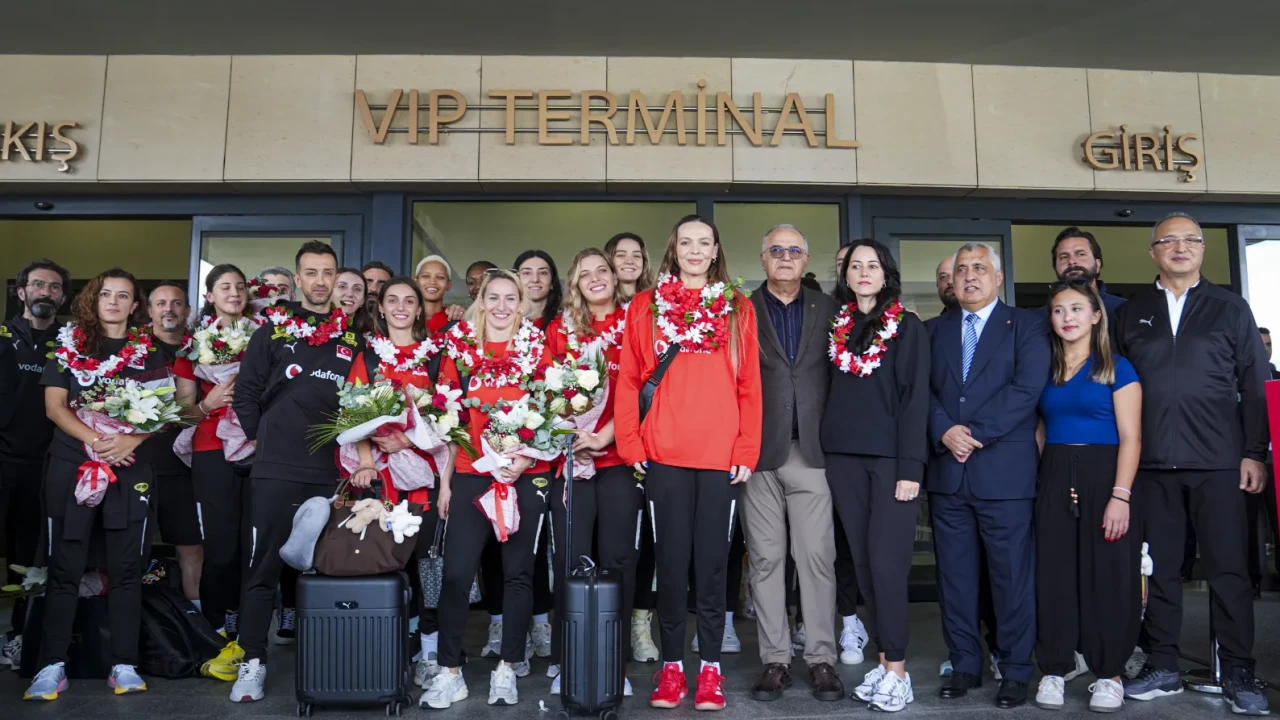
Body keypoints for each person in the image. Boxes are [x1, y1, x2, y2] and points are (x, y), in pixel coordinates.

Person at [1115, 212, 1270, 714]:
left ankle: (1239, 671)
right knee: (1159, 571)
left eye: (1191, 240)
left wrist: (1253, 452)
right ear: (1153, 251)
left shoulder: (1230, 308)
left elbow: (1254, 384)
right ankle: (1163, 665)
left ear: (1202, 249)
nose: (1180, 248)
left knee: (1229, 571)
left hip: (1220, 463)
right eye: (1169, 240)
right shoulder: (1132, 312)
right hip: (1152, 465)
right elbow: (1113, 385)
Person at [615, 214, 762, 712]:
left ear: (716, 250)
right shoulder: (646, 305)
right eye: (686, 242)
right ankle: (673, 667)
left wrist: (746, 449)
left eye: (704, 242)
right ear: (673, 250)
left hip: (720, 457)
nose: (695, 250)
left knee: (713, 567)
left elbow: (750, 384)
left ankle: (712, 670)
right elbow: (629, 380)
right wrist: (632, 445)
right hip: (664, 455)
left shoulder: (738, 307)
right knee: (672, 566)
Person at [23, 269, 180, 701]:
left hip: (129, 468)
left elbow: (166, 411)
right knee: (65, 567)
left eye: (123, 295)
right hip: (73, 465)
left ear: (135, 306)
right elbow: (55, 408)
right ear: (93, 300)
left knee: (127, 568)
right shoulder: (69, 344)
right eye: (105, 293)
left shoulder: (149, 352)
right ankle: (51, 665)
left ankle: (124, 664)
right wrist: (97, 441)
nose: (113, 301)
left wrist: (132, 440)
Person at [229, 241, 361, 703]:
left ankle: (330, 661)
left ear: (337, 279)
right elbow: (245, 393)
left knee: (331, 569)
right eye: (312, 273)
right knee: (262, 568)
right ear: (298, 279)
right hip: (275, 469)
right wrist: (265, 439)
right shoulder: (271, 332)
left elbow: (363, 405)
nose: (321, 281)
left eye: (328, 273)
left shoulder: (354, 340)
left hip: (330, 472)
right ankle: (253, 660)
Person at [421, 270, 552, 709]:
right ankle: (450, 671)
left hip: (522, 474)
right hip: (471, 472)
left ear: (521, 303)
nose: (501, 306)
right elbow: (447, 421)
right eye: (492, 297)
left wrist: (525, 458)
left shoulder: (536, 348)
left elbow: (551, 414)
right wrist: (445, 483)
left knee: (517, 574)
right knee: (457, 573)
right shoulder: (459, 350)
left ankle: (507, 667)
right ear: (480, 302)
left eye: (510, 298)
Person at [926, 242, 1049, 710]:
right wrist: (944, 429)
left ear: (998, 278)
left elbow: (1026, 389)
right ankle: (964, 663)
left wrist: (972, 433)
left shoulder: (1028, 325)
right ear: (952, 281)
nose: (970, 276)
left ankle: (1016, 669)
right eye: (962, 270)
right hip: (948, 475)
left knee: (1011, 577)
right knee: (955, 578)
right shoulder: (932, 330)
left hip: (1004, 474)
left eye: (980, 268)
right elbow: (920, 392)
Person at [822, 239, 930, 712]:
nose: (864, 272)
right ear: (845, 274)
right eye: (855, 265)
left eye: (873, 265)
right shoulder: (838, 325)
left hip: (889, 462)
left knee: (887, 565)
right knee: (864, 567)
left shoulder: (907, 327)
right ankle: (884, 665)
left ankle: (899, 673)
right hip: (842, 459)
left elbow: (915, 399)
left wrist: (911, 468)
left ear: (886, 274)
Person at [741, 225, 845, 703]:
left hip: (812, 451)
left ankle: (821, 658)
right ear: (763, 259)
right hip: (757, 452)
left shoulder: (830, 309)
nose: (785, 257)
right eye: (776, 250)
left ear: (806, 260)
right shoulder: (740, 310)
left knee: (817, 558)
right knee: (765, 560)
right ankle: (775, 661)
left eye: (794, 250)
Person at [1032, 280, 1143, 714]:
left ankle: (1110, 674)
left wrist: (1121, 496)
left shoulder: (1118, 368)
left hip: (1106, 476)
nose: (1067, 318)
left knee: (1108, 576)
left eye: (1077, 309)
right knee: (1054, 574)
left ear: (1096, 316)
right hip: (1055, 475)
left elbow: (1132, 437)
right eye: (1059, 310)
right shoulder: (1046, 368)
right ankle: (1056, 668)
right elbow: (1040, 430)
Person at [343, 277, 456, 694]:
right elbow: (353, 418)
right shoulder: (368, 358)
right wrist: (366, 462)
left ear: (420, 309)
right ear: (381, 308)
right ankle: (394, 646)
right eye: (393, 300)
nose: (402, 307)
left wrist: (411, 444)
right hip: (384, 484)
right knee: (389, 565)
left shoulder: (437, 358)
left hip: (428, 481)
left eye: (410, 300)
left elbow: (453, 424)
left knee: (429, 567)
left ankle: (429, 652)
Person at [543, 248, 640, 697]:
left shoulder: (635, 321)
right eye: (586, 274)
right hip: (572, 462)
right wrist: (572, 433)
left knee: (618, 559)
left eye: (603, 270)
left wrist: (604, 437)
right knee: (570, 557)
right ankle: (567, 658)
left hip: (618, 459)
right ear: (575, 284)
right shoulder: (560, 329)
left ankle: (615, 661)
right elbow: (544, 390)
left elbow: (642, 390)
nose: (596, 278)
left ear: (615, 277)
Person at [170, 265, 253, 681]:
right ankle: (217, 625)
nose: (234, 293)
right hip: (211, 449)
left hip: (257, 447)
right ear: (210, 296)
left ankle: (248, 629)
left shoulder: (266, 337)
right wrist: (211, 402)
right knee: (220, 547)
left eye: (240, 286)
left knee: (251, 545)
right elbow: (182, 413)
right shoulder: (192, 346)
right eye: (225, 287)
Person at [0, 259, 68, 670]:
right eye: (38, 284)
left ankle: (20, 636)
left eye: (54, 286)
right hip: (3, 460)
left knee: (32, 555)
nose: (46, 291)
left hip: (48, 463)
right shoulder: (2, 335)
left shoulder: (70, 343)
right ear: (21, 291)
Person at [146, 282, 204, 609]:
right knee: (129, 548)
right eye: (161, 303)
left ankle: (197, 622)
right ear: (149, 310)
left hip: (184, 465)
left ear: (188, 310)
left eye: (176, 303)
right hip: (136, 461)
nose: (169, 309)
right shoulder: (133, 349)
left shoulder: (205, 347)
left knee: (191, 546)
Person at [1051, 227, 1125, 329]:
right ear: (1055, 267)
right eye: (1064, 257)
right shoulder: (1040, 318)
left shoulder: (1124, 310)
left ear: (1097, 265)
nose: (1072, 261)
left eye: (1081, 254)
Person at [514, 250, 563, 330]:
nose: (535, 279)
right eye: (527, 273)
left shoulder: (567, 322)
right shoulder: (504, 319)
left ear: (552, 281)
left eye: (543, 273)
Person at [605, 232, 654, 303]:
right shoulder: (601, 302)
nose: (630, 261)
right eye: (621, 255)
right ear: (608, 260)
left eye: (636, 256)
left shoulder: (656, 299)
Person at [415, 255, 457, 333]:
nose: (432, 282)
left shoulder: (456, 319)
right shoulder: (405, 317)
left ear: (449, 285)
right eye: (426, 276)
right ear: (416, 282)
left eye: (440, 277)